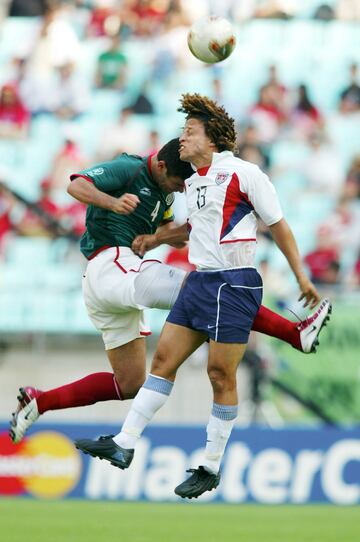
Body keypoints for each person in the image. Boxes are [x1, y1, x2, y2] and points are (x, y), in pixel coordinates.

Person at [73, 94, 330, 499]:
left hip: (235, 280)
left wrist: (301, 276)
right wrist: (156, 237)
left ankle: (210, 465)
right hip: (201, 280)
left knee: (219, 374)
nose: (182, 139)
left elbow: (278, 226)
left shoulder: (245, 173)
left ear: (212, 140)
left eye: (190, 132)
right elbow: (192, 229)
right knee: (162, 361)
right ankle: (124, 444)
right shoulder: (190, 183)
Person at [10, 136, 331, 444]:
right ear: (161, 167)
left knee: (130, 382)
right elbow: (76, 184)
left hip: (113, 286)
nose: (180, 189)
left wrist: (176, 233)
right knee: (208, 289)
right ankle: (294, 333)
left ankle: (39, 402)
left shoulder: (164, 194)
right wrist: (114, 202)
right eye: (178, 183)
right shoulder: (129, 168)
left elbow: (166, 232)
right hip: (111, 265)